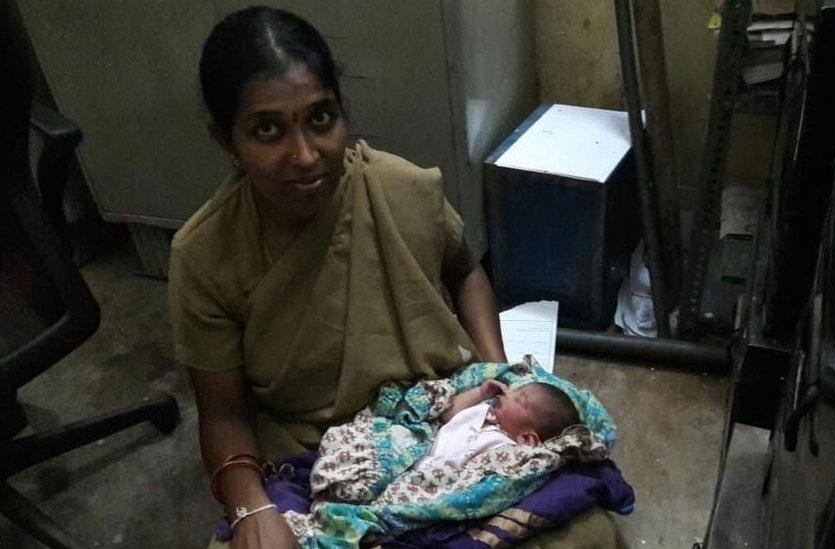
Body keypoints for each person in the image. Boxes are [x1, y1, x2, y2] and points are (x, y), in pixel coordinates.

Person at [170, 6, 620, 548]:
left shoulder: (400, 189)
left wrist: (495, 370)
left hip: (445, 408)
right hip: (315, 448)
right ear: (226, 141)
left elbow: (465, 270)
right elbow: (221, 412)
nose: (307, 155)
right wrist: (249, 508)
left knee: (588, 535)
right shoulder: (205, 254)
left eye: (321, 119)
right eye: (268, 130)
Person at [410, 380, 580, 471]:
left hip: (427, 473)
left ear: (528, 438)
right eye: (515, 389)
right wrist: (480, 393)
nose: (508, 393)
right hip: (416, 446)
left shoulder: (504, 451)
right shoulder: (486, 411)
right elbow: (447, 416)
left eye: (519, 399)